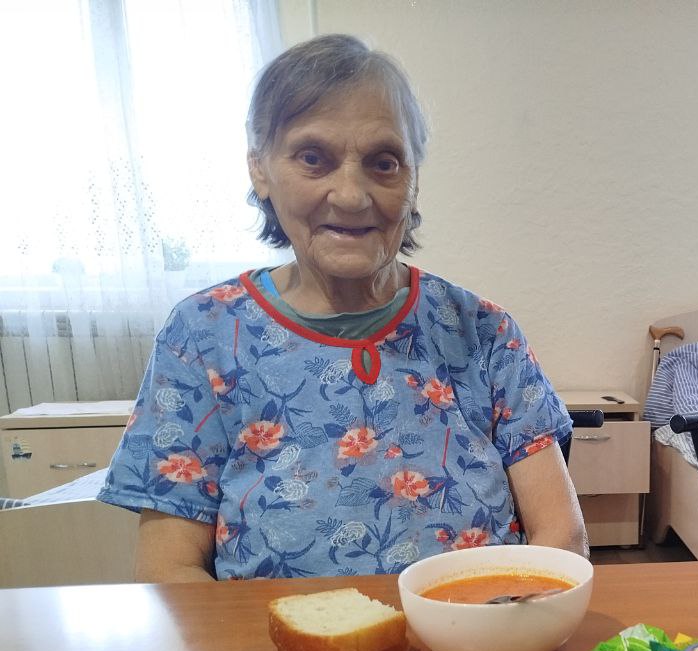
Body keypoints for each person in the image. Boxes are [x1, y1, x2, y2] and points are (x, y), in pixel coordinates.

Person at [98, 35, 586, 581]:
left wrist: (499, 631)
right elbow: (171, 573)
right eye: (313, 158)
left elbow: (561, 538)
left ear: (414, 180)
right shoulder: (203, 335)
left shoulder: (485, 331)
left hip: (477, 647)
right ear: (260, 169)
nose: (351, 196)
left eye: (384, 162)